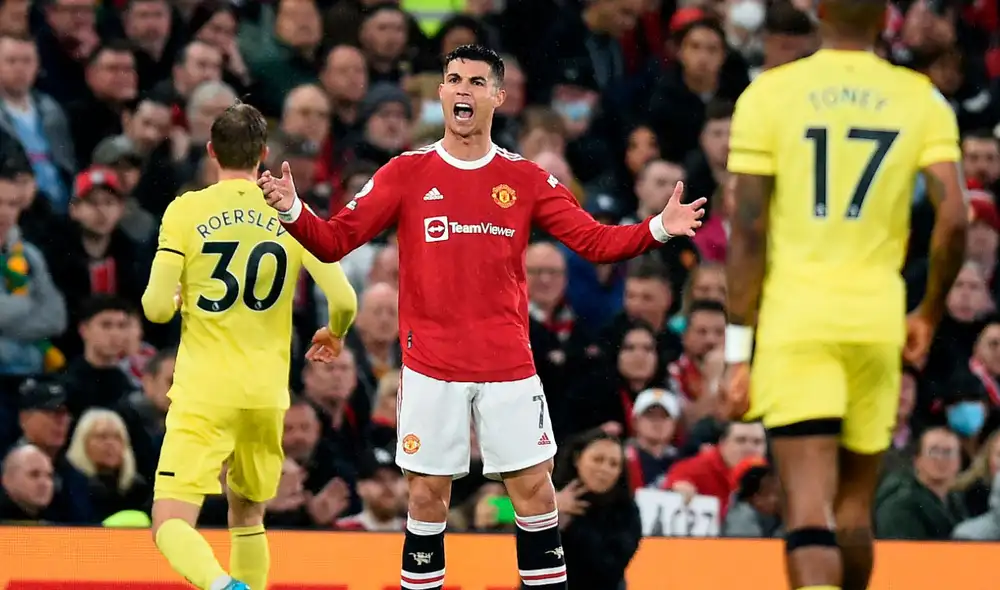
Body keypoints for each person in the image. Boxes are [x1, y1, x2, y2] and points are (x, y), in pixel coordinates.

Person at [258, 45, 705, 590]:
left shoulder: (524, 177)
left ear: (498, 95)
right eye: (452, 80)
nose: (462, 90)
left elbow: (593, 240)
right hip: (429, 367)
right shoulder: (406, 172)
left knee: (537, 494)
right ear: (442, 93)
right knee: (426, 497)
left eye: (475, 81)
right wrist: (290, 209)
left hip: (507, 366)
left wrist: (658, 227)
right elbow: (334, 241)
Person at [721, 0, 968, 588]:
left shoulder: (769, 94)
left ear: (819, 15)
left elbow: (748, 227)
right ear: (885, 20)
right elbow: (956, 217)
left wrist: (737, 351)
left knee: (809, 511)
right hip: (877, 320)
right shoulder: (922, 98)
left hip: (796, 318)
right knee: (855, 511)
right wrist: (929, 313)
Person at [141, 102, 358, 590]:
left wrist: (176, 299)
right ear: (264, 153)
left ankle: (220, 586)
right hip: (265, 395)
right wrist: (335, 333)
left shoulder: (187, 210)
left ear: (211, 150)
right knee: (249, 516)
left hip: (204, 392)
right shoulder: (288, 210)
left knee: (169, 521)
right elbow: (343, 298)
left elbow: (155, 309)